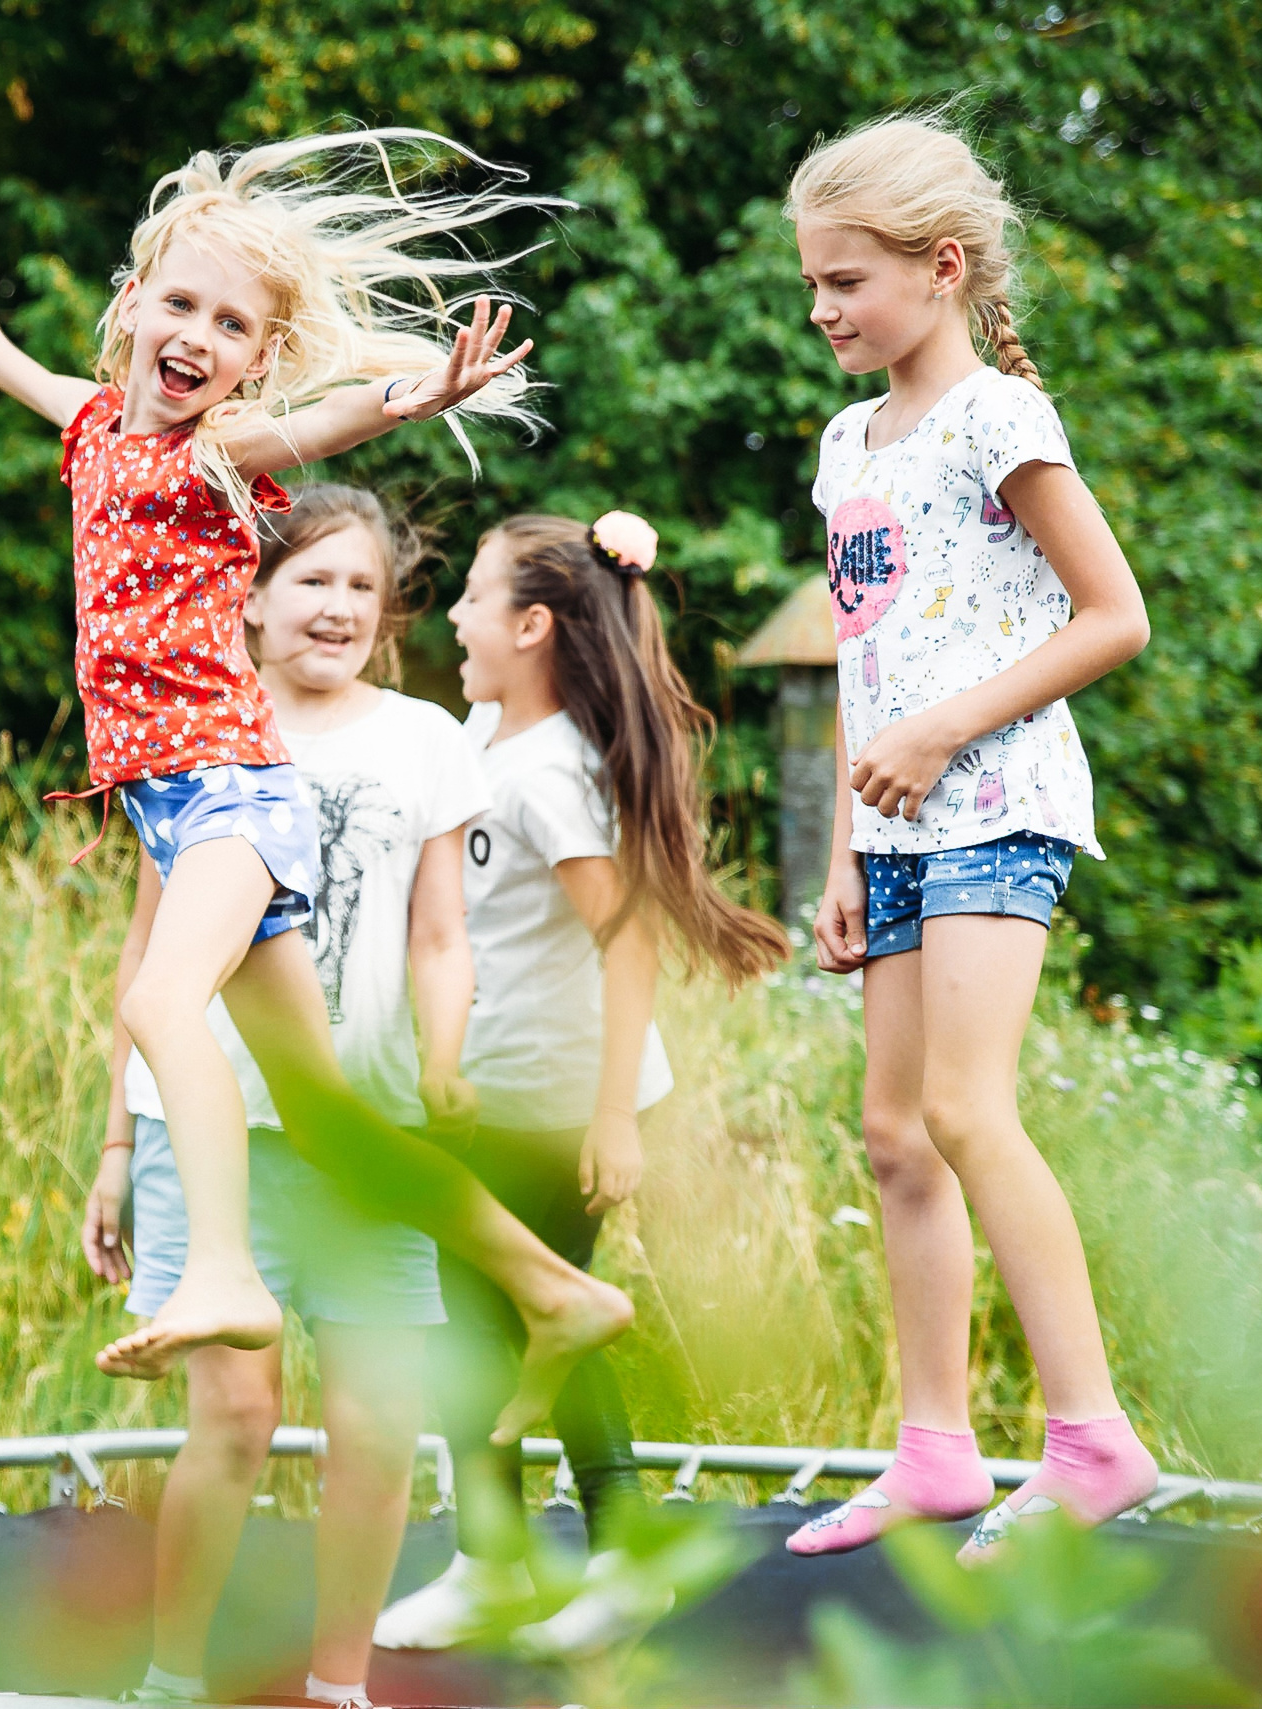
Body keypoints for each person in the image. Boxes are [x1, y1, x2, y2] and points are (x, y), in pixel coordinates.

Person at [0, 131, 630, 1437]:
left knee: (159, 998)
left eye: (231, 325)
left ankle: (226, 1271)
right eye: (180, 303)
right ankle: (555, 1288)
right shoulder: (90, 427)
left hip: (233, 791)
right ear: (132, 311)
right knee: (328, 1115)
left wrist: (415, 399)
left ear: (253, 363)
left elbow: (328, 416)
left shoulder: (225, 458)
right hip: (181, 811)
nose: (197, 333)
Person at [782, 112, 1156, 1563]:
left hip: (999, 804)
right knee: (891, 1135)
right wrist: (836, 859)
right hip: (893, 840)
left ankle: (1092, 1441)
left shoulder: (1001, 418)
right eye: (812, 285)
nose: (823, 310)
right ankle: (934, 1450)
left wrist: (946, 735)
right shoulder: (842, 441)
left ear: (942, 268)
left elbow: (1115, 616)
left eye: (847, 283)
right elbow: (863, 663)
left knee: (965, 1110)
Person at [82, 487, 482, 1708]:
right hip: (209, 1134)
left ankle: (338, 1686)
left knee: (376, 1426)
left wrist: (444, 1059)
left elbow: (439, 938)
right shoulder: (200, 726)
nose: (339, 606)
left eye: (361, 587)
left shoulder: (426, 738)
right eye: (312, 580)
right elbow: (147, 954)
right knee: (237, 1418)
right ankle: (171, 1674)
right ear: (246, 598)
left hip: (364, 1131)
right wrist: (111, 1142)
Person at [375, 515, 788, 1657]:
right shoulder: (489, 734)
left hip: (561, 1102)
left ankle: (615, 1554)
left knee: (540, 1312)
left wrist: (613, 1115)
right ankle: (493, 1561)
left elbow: (630, 941)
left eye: (469, 596)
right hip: (491, 1091)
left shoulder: (551, 773)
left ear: (531, 625)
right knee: (475, 1321)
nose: (450, 616)